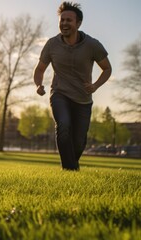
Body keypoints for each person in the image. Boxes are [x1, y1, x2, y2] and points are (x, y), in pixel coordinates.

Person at [33, 1, 112, 170]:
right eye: (62, 20)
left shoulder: (92, 45)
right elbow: (39, 69)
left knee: (78, 142)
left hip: (83, 99)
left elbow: (107, 69)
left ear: (78, 23)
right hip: (59, 93)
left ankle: (72, 166)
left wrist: (96, 85)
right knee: (63, 126)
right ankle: (69, 170)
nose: (64, 23)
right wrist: (38, 85)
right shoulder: (52, 44)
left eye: (69, 20)